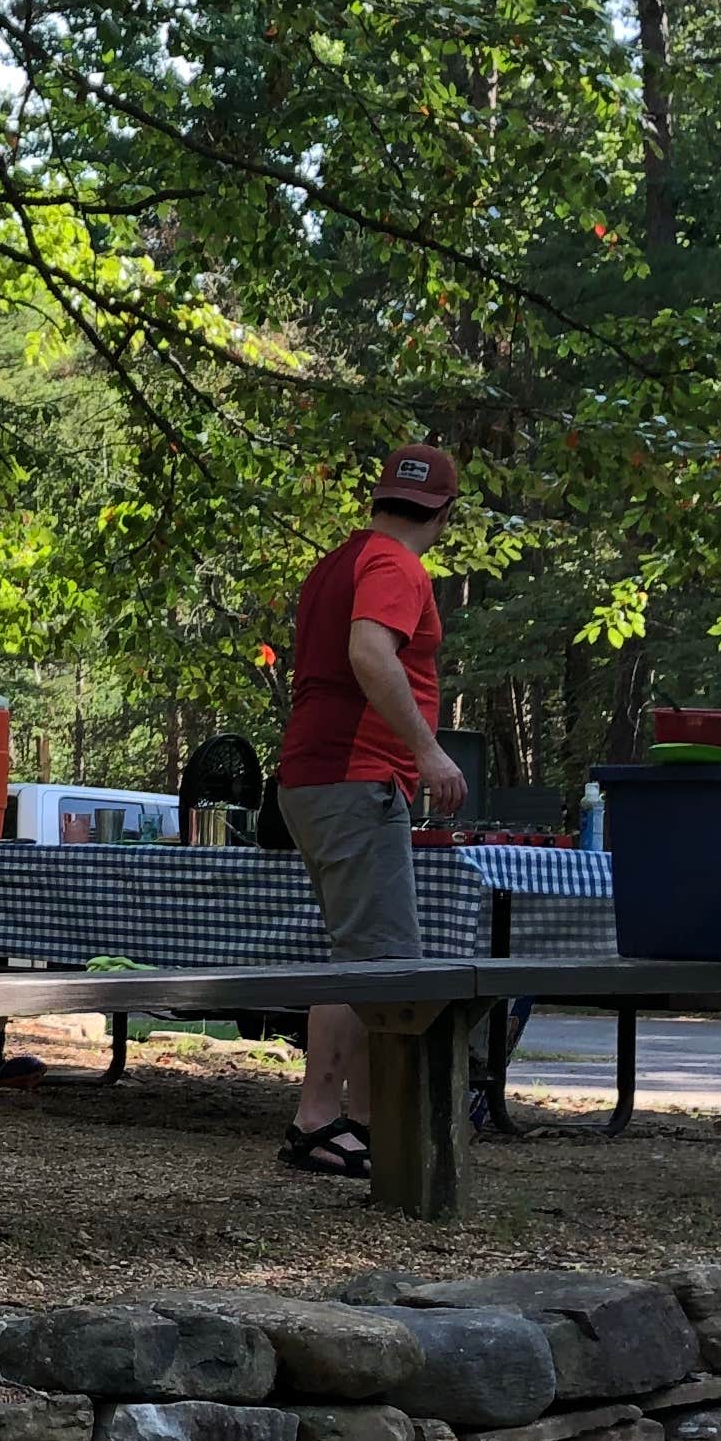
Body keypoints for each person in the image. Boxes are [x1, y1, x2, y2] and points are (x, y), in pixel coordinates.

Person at [273, 442, 470, 1176]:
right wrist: (428, 752)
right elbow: (368, 653)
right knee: (380, 963)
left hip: (315, 778)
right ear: (445, 514)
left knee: (362, 954)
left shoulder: (337, 562)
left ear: (378, 499)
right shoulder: (397, 566)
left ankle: (358, 1119)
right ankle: (322, 1121)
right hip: (357, 779)